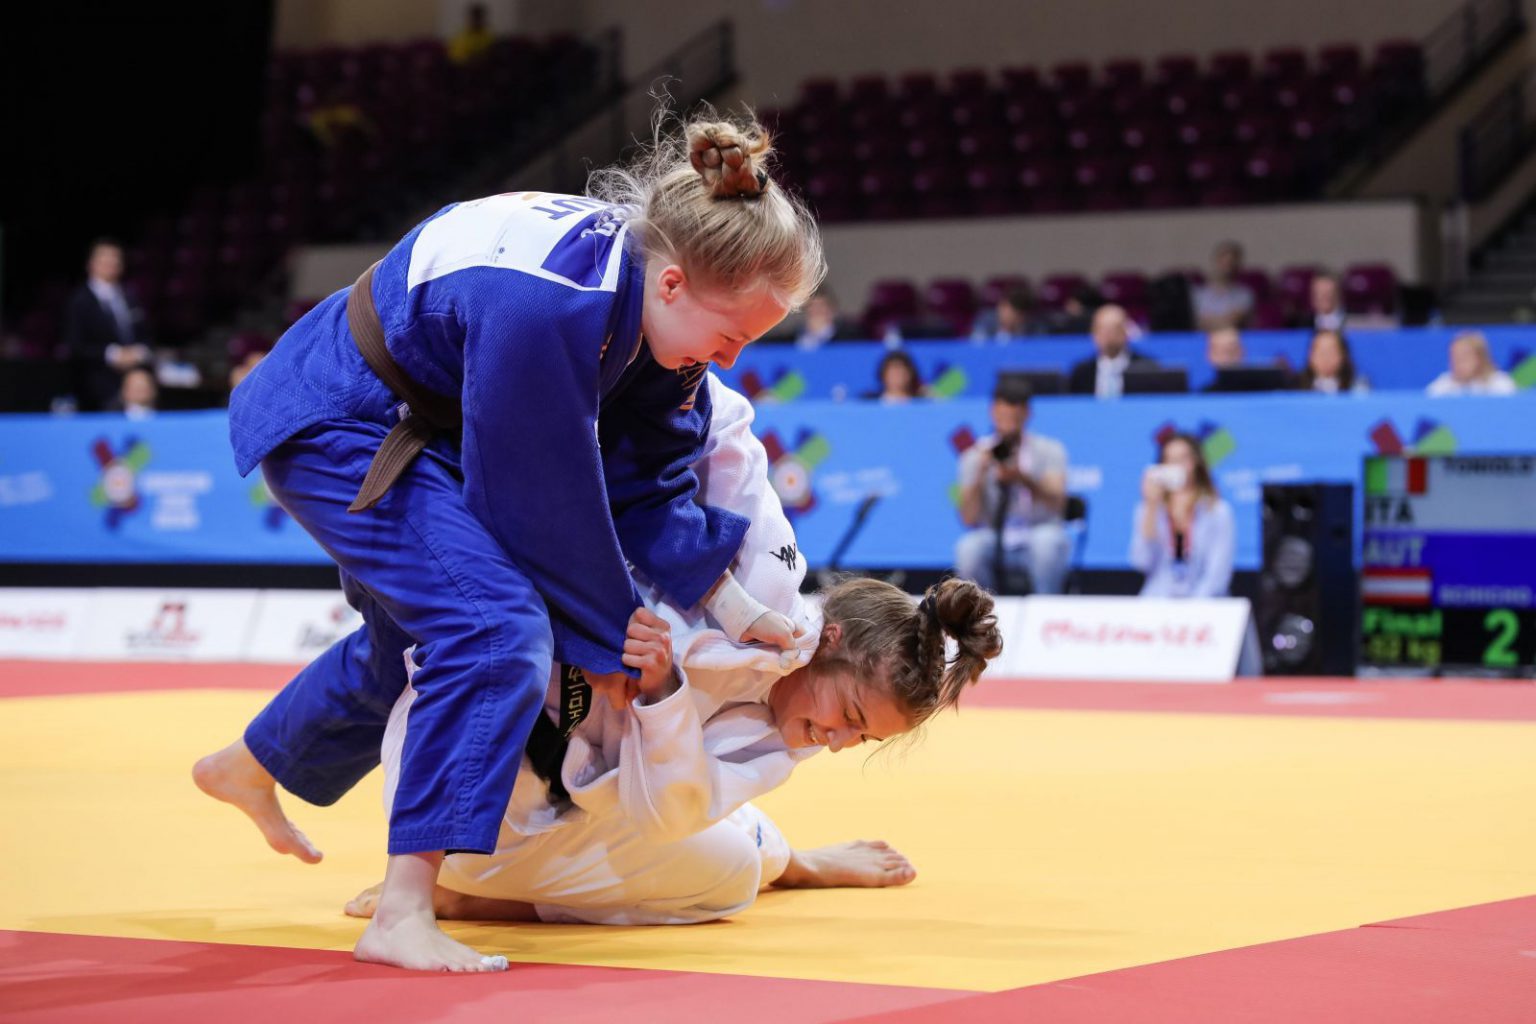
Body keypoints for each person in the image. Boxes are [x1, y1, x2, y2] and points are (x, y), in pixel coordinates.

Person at [192, 111, 826, 973]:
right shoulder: (550, 307)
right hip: (341, 418)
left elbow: (649, 483)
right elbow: (537, 497)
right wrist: (606, 643)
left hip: (427, 423)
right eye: (734, 335)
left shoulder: (650, 319)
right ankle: (406, 908)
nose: (727, 360)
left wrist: (733, 602)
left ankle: (250, 763)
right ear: (673, 284)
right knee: (492, 631)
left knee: (423, 637)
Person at [342, 574, 999, 928]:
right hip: (478, 800)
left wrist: (661, 695)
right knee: (732, 875)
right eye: (849, 716)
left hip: (568, 809)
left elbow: (672, 810)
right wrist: (654, 678)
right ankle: (463, 899)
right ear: (824, 639)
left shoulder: (793, 723)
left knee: (725, 839)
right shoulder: (731, 608)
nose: (837, 742)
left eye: (862, 739)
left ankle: (791, 859)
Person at [954, 380, 1071, 594]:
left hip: (1036, 529)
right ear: (993, 413)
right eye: (1003, 417)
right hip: (993, 534)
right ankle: (981, 614)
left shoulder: (1049, 450)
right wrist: (980, 473)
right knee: (968, 548)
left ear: (1027, 414)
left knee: (1047, 543)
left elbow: (1058, 503)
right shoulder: (974, 456)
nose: (1008, 424)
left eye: (1014, 418)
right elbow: (968, 519)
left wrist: (1022, 478)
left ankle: (1045, 609)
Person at [1130, 433, 1235, 598]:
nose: (1176, 466)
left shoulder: (1217, 511)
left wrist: (1192, 611)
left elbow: (1217, 574)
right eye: (1169, 460)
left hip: (1205, 606)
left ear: (1196, 463)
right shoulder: (1148, 509)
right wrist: (1150, 507)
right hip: (1158, 602)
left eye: (1182, 459)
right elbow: (1141, 561)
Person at [61, 239, 152, 410]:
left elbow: (145, 335)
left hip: (131, 381)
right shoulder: (79, 301)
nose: (112, 263)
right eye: (105, 258)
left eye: (116, 258)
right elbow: (75, 346)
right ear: (91, 264)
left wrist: (139, 352)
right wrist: (113, 354)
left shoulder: (130, 297)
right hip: (94, 385)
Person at [1068, 304, 1154, 398]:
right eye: (1101, 329)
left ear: (1125, 332)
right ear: (1093, 333)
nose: (1107, 335)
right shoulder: (1081, 372)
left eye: (1114, 329)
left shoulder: (1147, 369)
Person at [1426, 331, 1518, 396]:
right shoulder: (1443, 386)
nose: (1457, 363)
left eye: (1464, 357)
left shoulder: (1501, 384)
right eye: (1454, 357)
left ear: (1480, 358)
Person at [1191, 240, 1254, 331]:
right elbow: (1199, 322)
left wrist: (1211, 321)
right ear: (1215, 261)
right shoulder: (1198, 295)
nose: (1227, 267)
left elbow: (1233, 322)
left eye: (1230, 263)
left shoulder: (1244, 295)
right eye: (1223, 261)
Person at [1297, 328, 1367, 394]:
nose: (1325, 358)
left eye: (1331, 352)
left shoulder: (1357, 387)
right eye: (1321, 352)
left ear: (1343, 355)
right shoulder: (1296, 386)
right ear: (1310, 355)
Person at [971, 287, 1038, 342]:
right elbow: (976, 342)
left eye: (1019, 315)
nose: (1015, 318)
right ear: (1001, 305)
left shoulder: (1033, 325)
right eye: (1005, 308)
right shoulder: (986, 319)